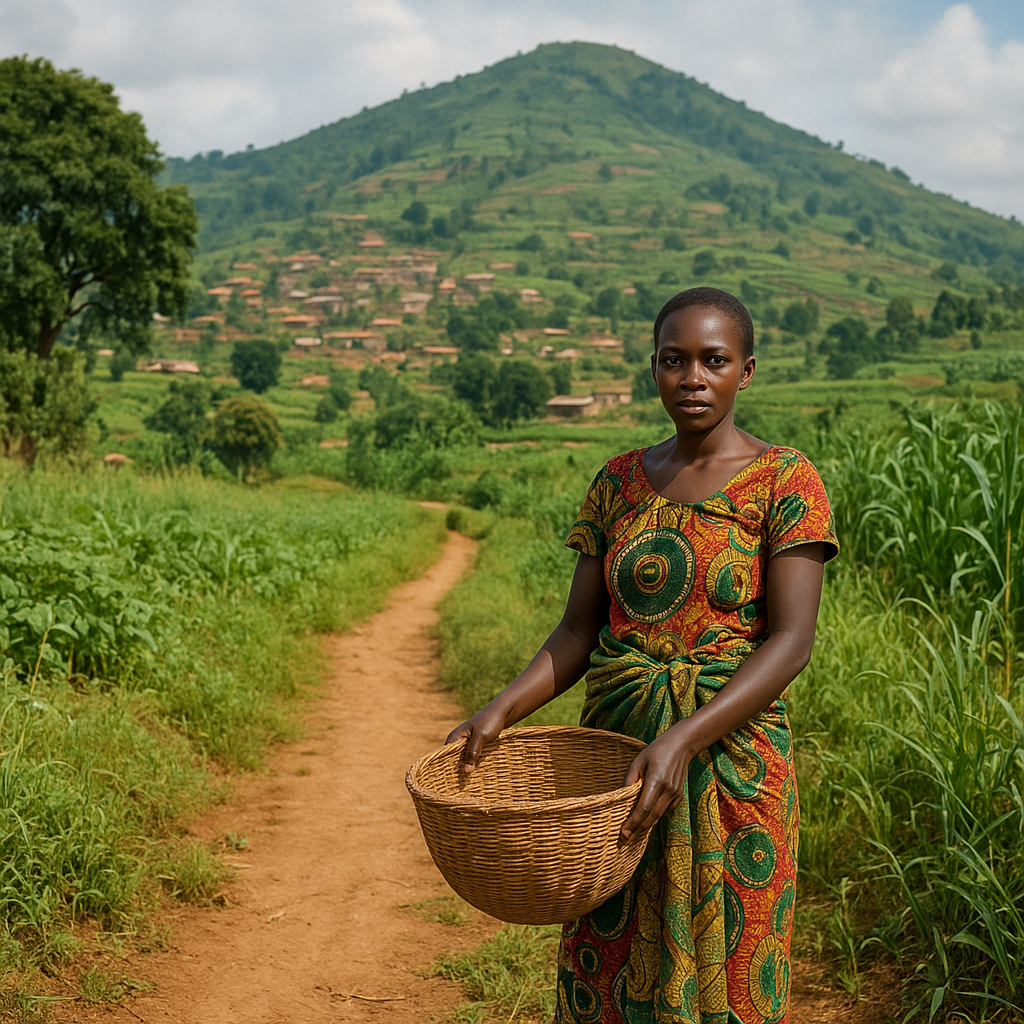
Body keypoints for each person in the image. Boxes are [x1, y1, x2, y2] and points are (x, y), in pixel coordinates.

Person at [446, 286, 838, 1023]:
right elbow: (577, 631)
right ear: (653, 369)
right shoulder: (618, 482)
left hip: (731, 763)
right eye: (673, 360)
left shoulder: (786, 481)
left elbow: (791, 642)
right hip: (618, 767)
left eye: (713, 360)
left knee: (733, 959)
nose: (692, 378)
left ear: (747, 370)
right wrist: (500, 709)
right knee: (610, 956)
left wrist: (683, 739)